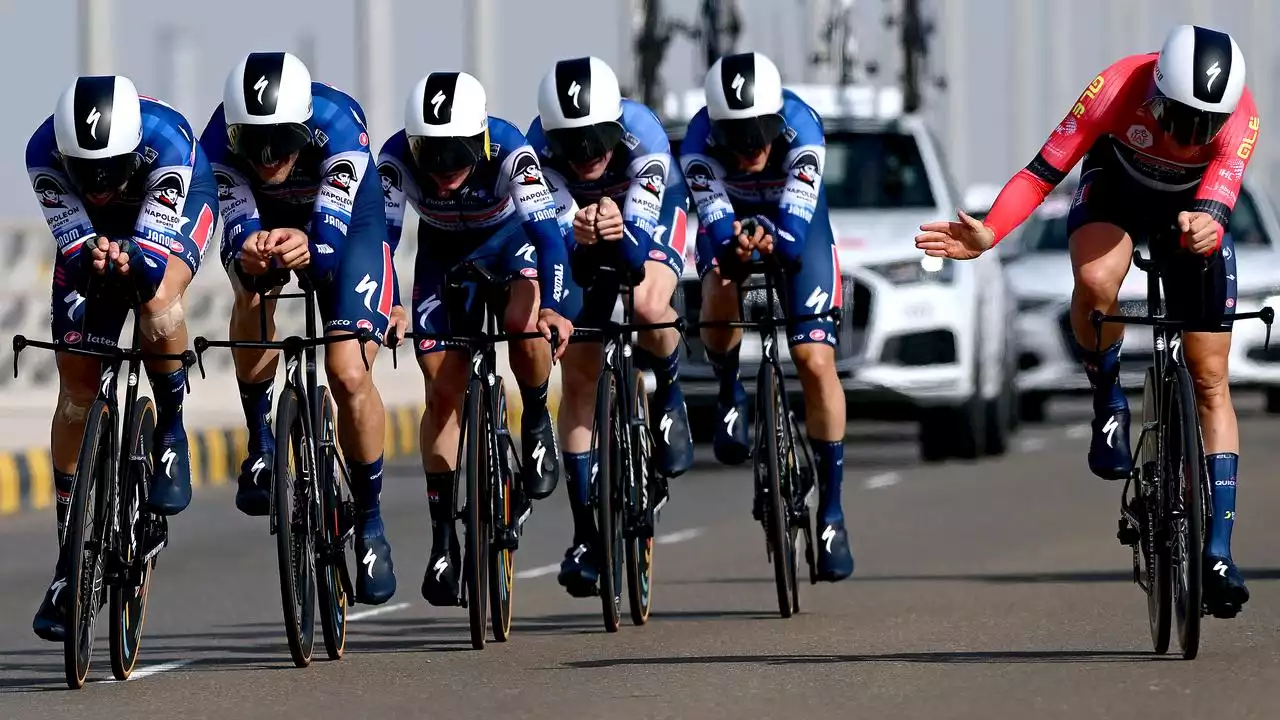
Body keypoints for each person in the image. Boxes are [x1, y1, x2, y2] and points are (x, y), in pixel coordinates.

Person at [915, 25, 1258, 615]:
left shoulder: (1240, 114)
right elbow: (1040, 172)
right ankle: (1109, 398)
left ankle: (1218, 552)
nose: (1189, 136)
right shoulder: (1115, 85)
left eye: (1205, 126)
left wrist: (1209, 222)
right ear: (1156, 91)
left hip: (1189, 212)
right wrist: (991, 231)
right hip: (1115, 190)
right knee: (1098, 281)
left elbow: (1217, 200)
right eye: (1179, 119)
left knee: (1210, 380)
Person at [200, 51, 398, 605]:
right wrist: (252, 249)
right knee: (251, 287)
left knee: (346, 370)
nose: (267, 158)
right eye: (252, 144)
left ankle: (371, 522)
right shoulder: (216, 142)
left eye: (282, 142)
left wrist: (311, 246)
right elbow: (236, 225)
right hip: (268, 218)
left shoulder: (339, 125)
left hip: (348, 224)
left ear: (305, 126)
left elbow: (330, 252)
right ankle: (261, 442)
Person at [26, 75, 218, 640]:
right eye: (86, 171)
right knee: (75, 396)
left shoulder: (170, 144)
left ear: (133, 148)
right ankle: (69, 562)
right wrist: (94, 255)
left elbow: (152, 267)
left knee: (156, 302)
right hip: (96, 235)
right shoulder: (41, 153)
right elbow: (77, 250)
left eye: (110, 168)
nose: (99, 182)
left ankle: (172, 433)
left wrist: (132, 261)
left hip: (177, 203)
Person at [377, 71, 573, 606]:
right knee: (441, 392)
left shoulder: (514, 151)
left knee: (523, 324)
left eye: (457, 156)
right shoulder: (395, 160)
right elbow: (384, 241)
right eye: (430, 156)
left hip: (510, 244)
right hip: (442, 253)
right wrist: (391, 303)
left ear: (482, 139)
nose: (442, 174)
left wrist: (553, 306)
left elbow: (548, 236)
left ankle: (535, 415)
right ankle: (443, 539)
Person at [679, 52, 853, 581]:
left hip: (797, 227)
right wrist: (735, 243)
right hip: (729, 221)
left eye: (760, 133)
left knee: (813, 358)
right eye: (737, 135)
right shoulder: (696, 144)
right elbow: (713, 232)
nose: (751, 146)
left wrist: (771, 239)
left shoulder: (805, 129)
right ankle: (730, 386)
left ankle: (832, 511)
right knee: (720, 283)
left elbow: (796, 244)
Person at [524, 56, 693, 596]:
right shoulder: (538, 149)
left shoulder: (644, 135)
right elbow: (553, 239)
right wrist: (576, 233)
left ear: (616, 128)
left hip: (652, 216)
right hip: (580, 224)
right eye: (574, 144)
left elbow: (638, 250)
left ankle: (669, 393)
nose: (588, 154)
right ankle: (585, 536)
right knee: (579, 373)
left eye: (599, 139)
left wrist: (614, 231)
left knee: (645, 303)